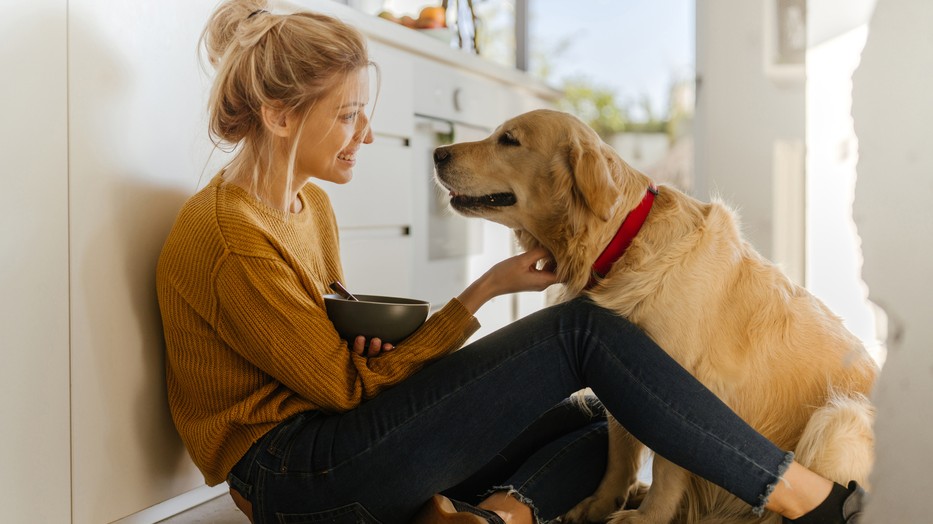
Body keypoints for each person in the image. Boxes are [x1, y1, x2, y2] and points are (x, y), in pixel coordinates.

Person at [155, 1, 865, 523]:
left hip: (336, 448)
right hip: (294, 481)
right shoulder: (229, 235)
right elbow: (342, 390)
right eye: (347, 115)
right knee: (580, 332)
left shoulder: (306, 206)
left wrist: (364, 340)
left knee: (607, 414)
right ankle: (803, 497)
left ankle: (495, 518)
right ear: (281, 116)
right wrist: (485, 291)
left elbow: (320, 352)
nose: (365, 133)